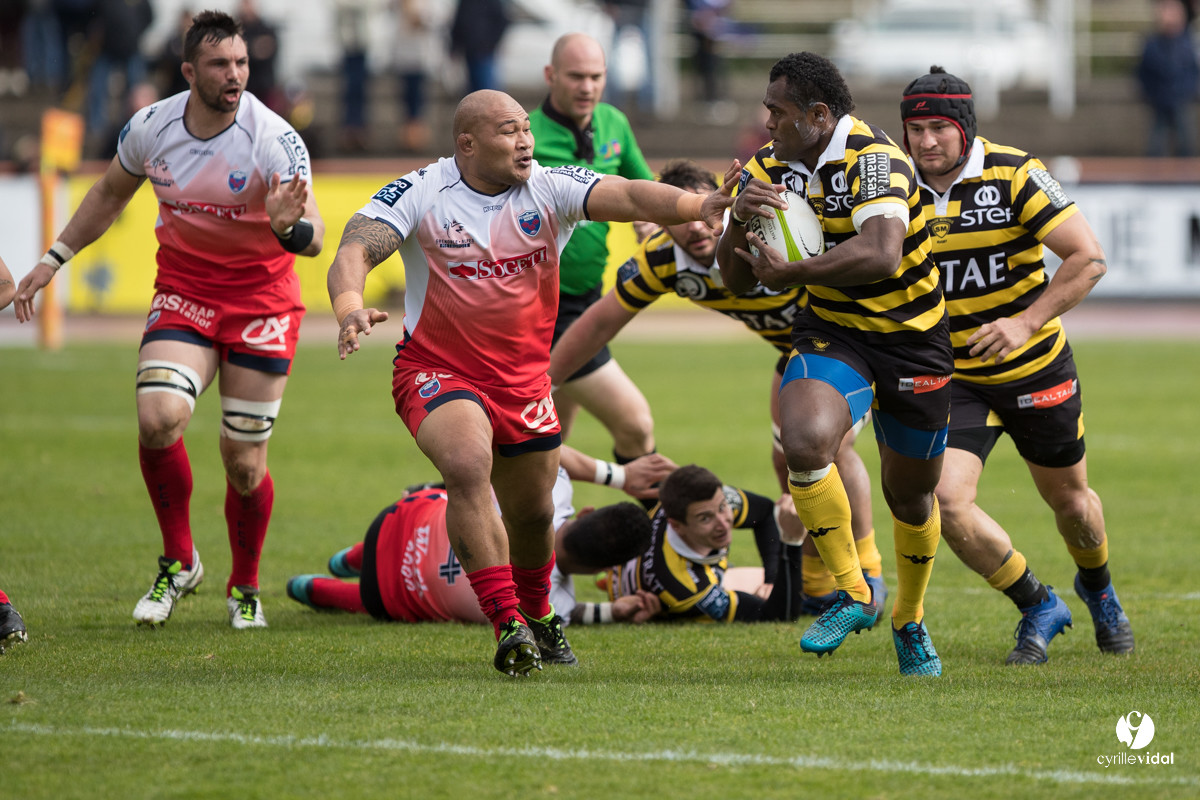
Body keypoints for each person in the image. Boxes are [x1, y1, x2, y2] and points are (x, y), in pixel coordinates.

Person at [326, 88, 736, 676]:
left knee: (533, 516)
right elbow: (358, 246)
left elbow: (623, 194)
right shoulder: (422, 189)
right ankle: (507, 624)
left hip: (523, 383)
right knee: (467, 465)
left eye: (526, 129)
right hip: (436, 368)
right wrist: (348, 306)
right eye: (508, 131)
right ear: (466, 143)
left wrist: (696, 205)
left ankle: (541, 615)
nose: (525, 141)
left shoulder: (547, 186)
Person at [14, 10, 326, 630]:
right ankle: (180, 561)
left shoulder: (274, 137)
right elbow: (107, 195)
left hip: (262, 302)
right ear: (189, 72)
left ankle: (244, 585)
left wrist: (287, 225)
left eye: (240, 63)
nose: (235, 74)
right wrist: (54, 259)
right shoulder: (151, 127)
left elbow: (313, 239)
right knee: (159, 419)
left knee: (244, 464)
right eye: (220, 65)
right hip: (185, 293)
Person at [548, 158, 887, 616]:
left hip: (851, 342)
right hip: (797, 351)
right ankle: (817, 584)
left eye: (706, 213)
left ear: (725, 203)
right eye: (682, 219)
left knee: (826, 447)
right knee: (789, 460)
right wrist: (541, 385)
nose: (697, 228)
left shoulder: (770, 228)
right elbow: (596, 326)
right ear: (665, 224)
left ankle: (868, 574)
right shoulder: (662, 262)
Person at [717, 52, 950, 676]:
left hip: (912, 337)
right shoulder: (770, 168)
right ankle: (852, 591)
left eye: (778, 112)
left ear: (820, 116)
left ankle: (908, 618)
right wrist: (737, 219)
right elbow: (733, 278)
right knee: (804, 441)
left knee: (913, 496)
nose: (767, 124)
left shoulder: (875, 161)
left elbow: (880, 254)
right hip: (833, 332)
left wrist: (791, 272)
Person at [900, 66, 1134, 664]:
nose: (925, 141)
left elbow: (1089, 259)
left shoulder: (1016, 173)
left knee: (1073, 506)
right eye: (915, 128)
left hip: (1034, 367)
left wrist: (1024, 323)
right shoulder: (894, 186)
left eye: (938, 128)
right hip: (953, 377)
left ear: (965, 127)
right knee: (945, 502)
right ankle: (1037, 603)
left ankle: (1098, 587)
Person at [285, 447, 676, 629]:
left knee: (458, 498)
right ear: (599, 570)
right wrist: (614, 612)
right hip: (385, 594)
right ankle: (309, 589)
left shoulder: (553, 489)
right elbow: (569, 613)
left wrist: (618, 476)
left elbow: (548, 449)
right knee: (389, 601)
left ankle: (349, 558)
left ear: (588, 513)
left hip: (393, 519)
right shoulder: (551, 602)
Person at [530, 33, 658, 462]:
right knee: (635, 425)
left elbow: (644, 189)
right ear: (550, 76)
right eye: (576, 76)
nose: (587, 87)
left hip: (587, 300)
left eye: (596, 76)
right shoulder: (523, 134)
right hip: (541, 311)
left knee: (550, 441)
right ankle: (657, 524)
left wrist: (646, 222)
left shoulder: (614, 123)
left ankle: (536, 525)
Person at [607, 464, 809, 623]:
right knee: (803, 598)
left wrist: (771, 579)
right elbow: (778, 616)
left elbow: (764, 512)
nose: (723, 523)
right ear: (677, 526)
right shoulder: (685, 589)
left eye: (723, 507)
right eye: (705, 518)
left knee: (795, 585)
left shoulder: (699, 501)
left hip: (685, 564)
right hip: (635, 591)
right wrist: (791, 541)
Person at [1137, 0, 1199, 157]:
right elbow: (1143, 73)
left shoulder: (1188, 43)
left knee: (1186, 146)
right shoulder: (1152, 44)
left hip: (1181, 101)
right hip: (1159, 102)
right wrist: (1150, 95)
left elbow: (1193, 72)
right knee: (1155, 147)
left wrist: (1187, 92)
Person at [448, 0, 509, 94]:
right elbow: (458, 23)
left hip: (484, 51)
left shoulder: (492, 2)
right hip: (468, 50)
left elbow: (502, 22)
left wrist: (490, 44)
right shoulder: (466, 2)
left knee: (487, 90)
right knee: (473, 90)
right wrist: (454, 47)